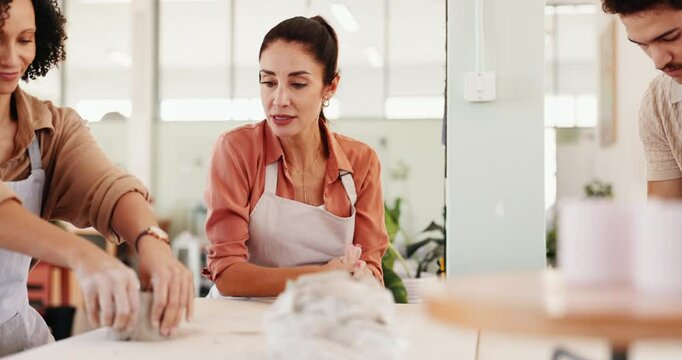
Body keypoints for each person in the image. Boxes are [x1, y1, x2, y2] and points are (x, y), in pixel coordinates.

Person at [0, 0, 193, 355]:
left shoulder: (52, 129)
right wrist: (84, 256)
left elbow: (107, 185)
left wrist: (152, 240)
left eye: (24, 40)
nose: (11, 58)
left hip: (18, 340)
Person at [203, 15, 389, 297]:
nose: (279, 100)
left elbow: (373, 270)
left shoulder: (361, 162)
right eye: (268, 82)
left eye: (297, 84)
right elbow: (227, 274)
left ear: (330, 87)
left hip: (322, 319)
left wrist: (362, 275)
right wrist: (321, 277)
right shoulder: (237, 150)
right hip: (241, 317)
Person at [602, 0, 682, 198]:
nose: (658, 61)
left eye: (670, 37)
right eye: (642, 45)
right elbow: (664, 220)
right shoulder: (658, 102)